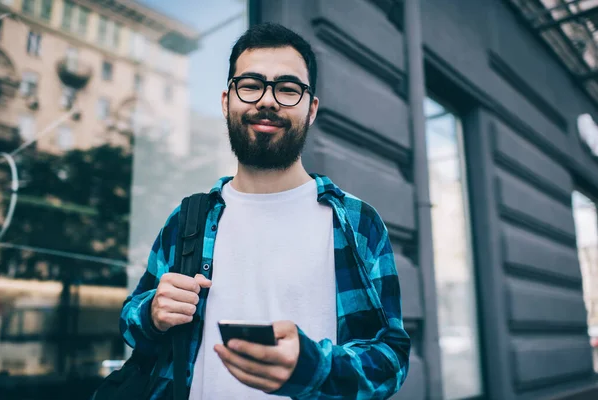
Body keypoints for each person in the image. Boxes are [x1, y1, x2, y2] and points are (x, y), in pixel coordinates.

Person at [119, 22, 411, 400]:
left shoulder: (358, 223)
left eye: (288, 89)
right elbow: (132, 321)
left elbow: (392, 358)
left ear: (311, 109)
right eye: (252, 85)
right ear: (227, 101)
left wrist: (315, 368)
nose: (268, 100)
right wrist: (152, 313)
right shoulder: (188, 218)